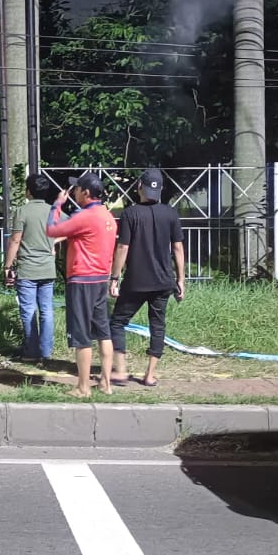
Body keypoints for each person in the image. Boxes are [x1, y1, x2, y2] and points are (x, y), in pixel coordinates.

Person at [108, 169, 186, 387]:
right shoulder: (170, 214)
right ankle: (150, 375)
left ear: (139, 187)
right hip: (163, 281)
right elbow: (178, 248)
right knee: (157, 326)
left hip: (136, 281)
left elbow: (123, 247)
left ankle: (121, 370)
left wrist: (114, 277)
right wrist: (180, 279)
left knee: (117, 322)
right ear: (160, 189)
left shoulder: (130, 214)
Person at [46, 173, 119, 397]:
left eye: (76, 189)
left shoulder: (85, 216)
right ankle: (106, 383)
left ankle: (83, 387)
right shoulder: (107, 215)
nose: (73, 193)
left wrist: (57, 204)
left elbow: (52, 230)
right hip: (101, 278)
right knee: (104, 333)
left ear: (86, 192)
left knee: (82, 336)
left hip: (81, 279)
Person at [3, 173, 60, 362]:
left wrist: (7, 266)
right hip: (48, 268)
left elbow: (15, 240)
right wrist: (53, 242)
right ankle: (46, 352)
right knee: (47, 310)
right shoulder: (53, 211)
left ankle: (31, 351)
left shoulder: (22, 211)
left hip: (27, 268)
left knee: (28, 310)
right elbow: (72, 228)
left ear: (28, 191)